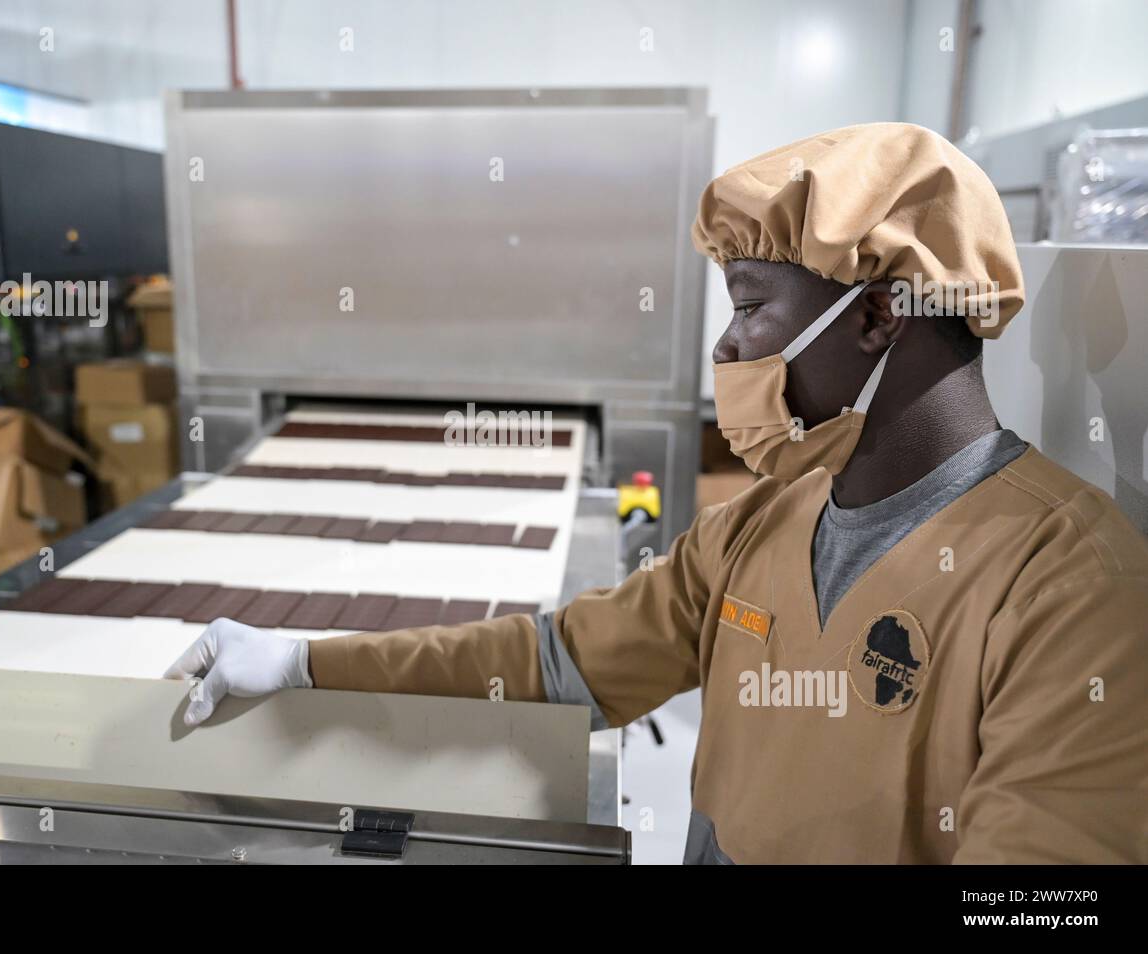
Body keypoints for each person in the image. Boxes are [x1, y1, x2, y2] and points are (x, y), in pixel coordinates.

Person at [166, 123, 1148, 864]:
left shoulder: (1073, 592)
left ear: (880, 313)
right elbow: (554, 662)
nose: (725, 349)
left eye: (753, 308)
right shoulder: (765, 522)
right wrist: (303, 663)